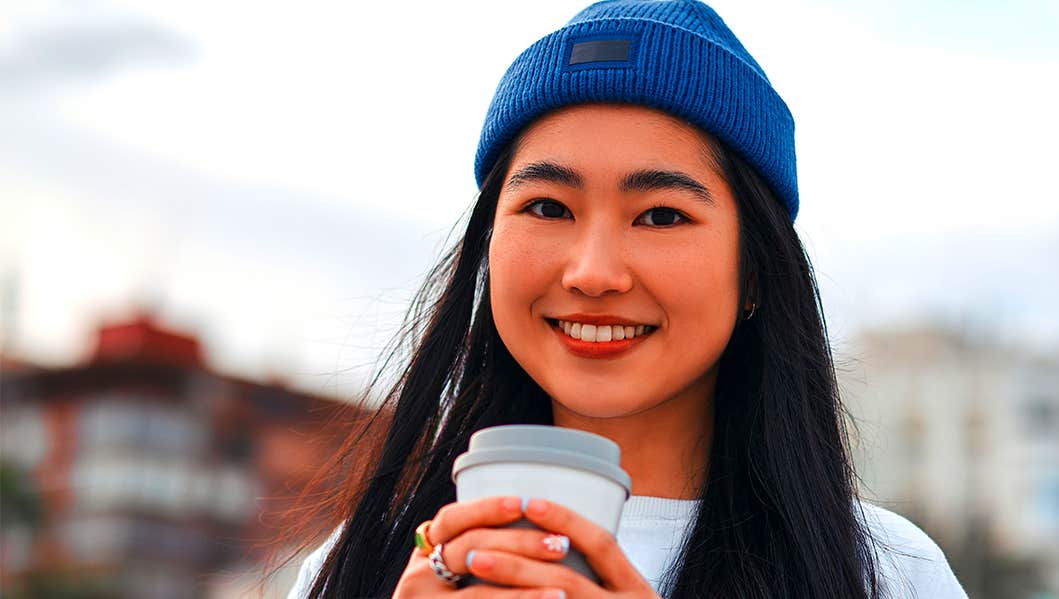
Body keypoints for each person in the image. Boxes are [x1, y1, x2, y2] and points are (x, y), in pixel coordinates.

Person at [284, 1, 968, 597]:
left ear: (756, 271)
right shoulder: (361, 560)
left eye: (661, 215)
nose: (592, 271)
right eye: (549, 206)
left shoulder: (888, 572)